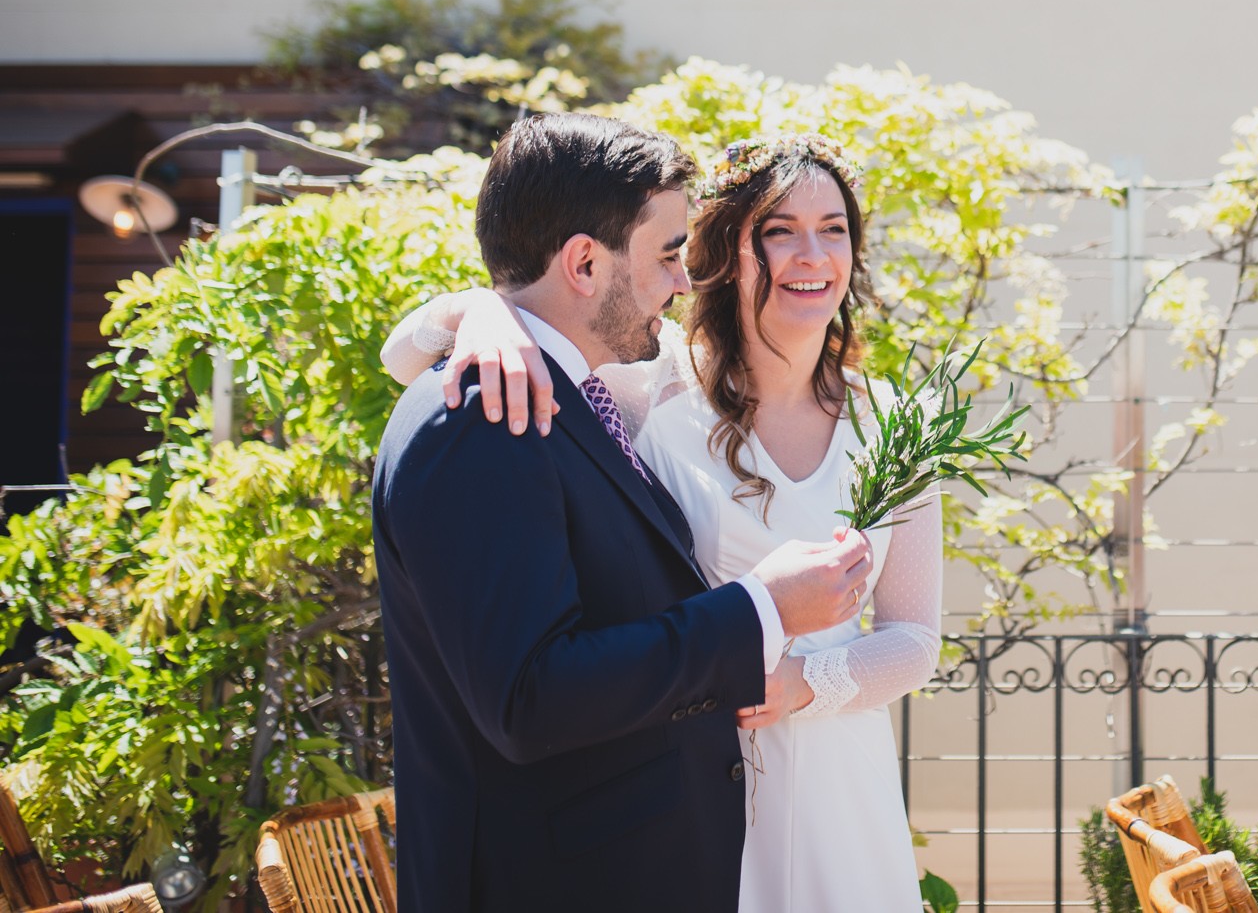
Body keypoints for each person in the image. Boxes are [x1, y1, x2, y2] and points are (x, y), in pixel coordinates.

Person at [383, 132, 942, 913]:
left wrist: (804, 684)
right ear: (730, 253)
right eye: (779, 230)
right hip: (687, 785)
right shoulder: (656, 384)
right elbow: (435, 365)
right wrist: (482, 309)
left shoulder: (896, 422)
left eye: (835, 228)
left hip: (835, 775)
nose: (813, 254)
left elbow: (918, 635)